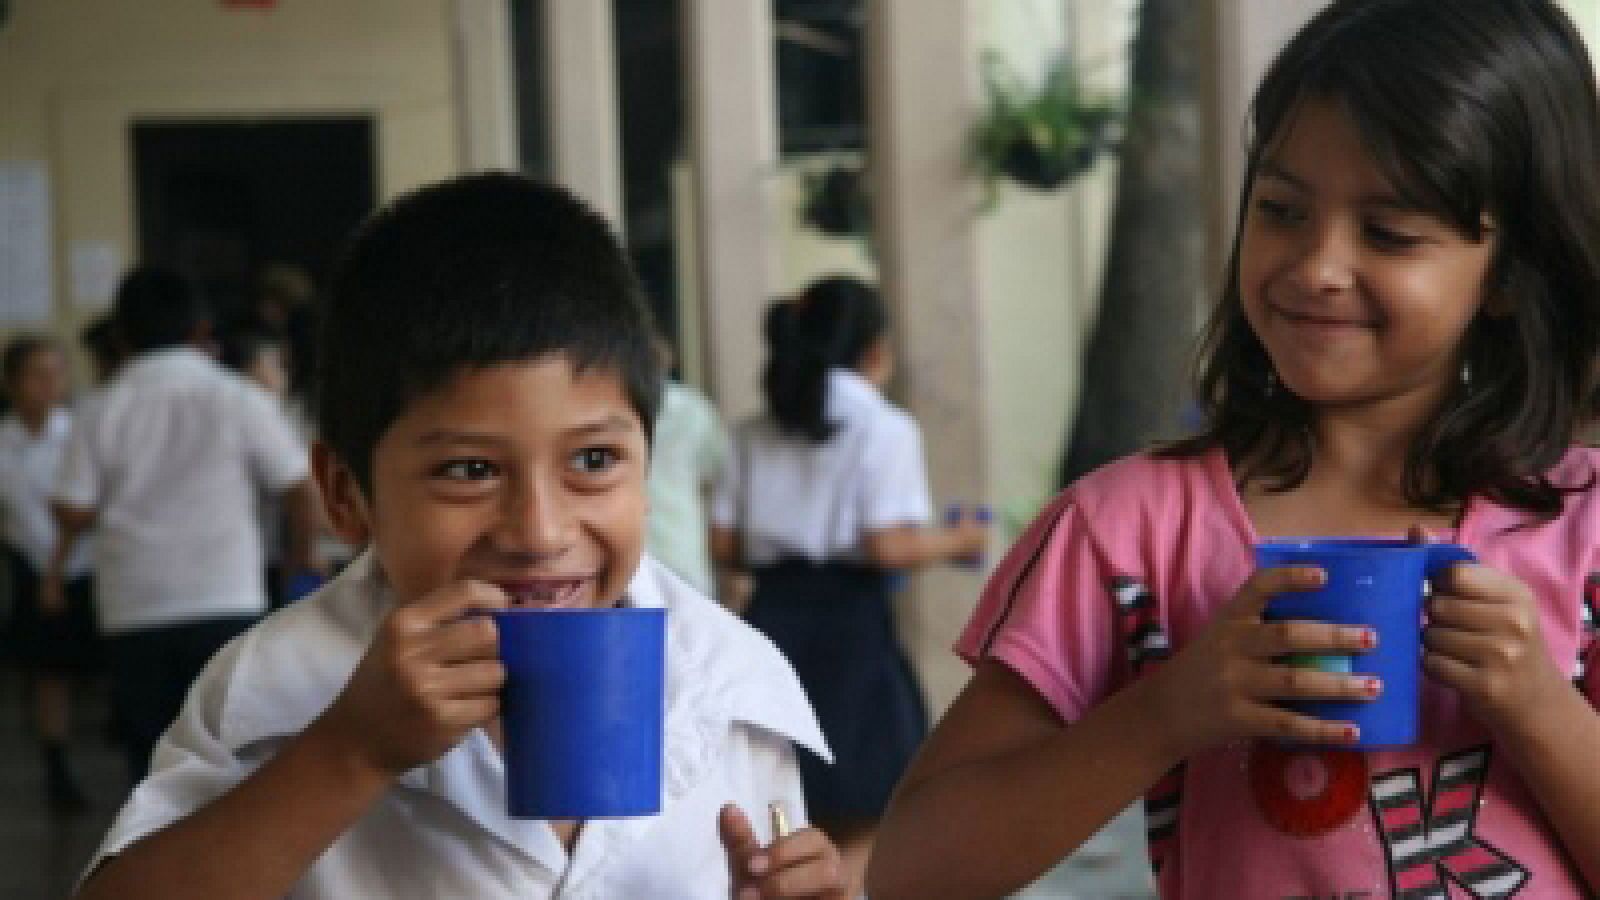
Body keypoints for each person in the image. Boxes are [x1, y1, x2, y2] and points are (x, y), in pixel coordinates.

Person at [868, 1, 1600, 896]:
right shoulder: (1125, 534)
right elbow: (912, 871)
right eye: (1282, 209)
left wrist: (1539, 707)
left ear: (1510, 274)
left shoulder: (1585, 533)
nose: (1316, 266)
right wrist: (1167, 712)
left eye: (1389, 233)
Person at [74, 173, 850, 900]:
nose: (541, 532)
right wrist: (350, 752)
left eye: (593, 461)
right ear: (346, 495)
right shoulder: (275, 687)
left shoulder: (729, 684)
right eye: (470, 470)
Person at [709, 276, 988, 891]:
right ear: (875, 351)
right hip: (849, 624)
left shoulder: (753, 429)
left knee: (781, 790)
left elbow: (724, 546)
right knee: (868, 799)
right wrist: (959, 542)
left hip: (771, 617)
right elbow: (886, 544)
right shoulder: (883, 427)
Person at [45, 265, 321, 784]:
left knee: (151, 763)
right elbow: (299, 487)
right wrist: (299, 560)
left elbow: (73, 510)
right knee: (232, 758)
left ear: (121, 336)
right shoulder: (239, 397)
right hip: (227, 597)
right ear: (201, 329)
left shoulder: (99, 409)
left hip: (135, 606)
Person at [0, 335, 98, 812]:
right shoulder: (5, 441)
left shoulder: (79, 432)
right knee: (48, 672)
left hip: (88, 565)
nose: (49, 385)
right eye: (36, 375)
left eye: (58, 373)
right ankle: (56, 767)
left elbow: (86, 509)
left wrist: (58, 571)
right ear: (12, 383)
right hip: (31, 564)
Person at [645, 331, 731, 599]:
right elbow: (715, 476)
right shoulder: (695, 409)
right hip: (678, 546)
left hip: (667, 548)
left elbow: (718, 475)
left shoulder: (695, 410)